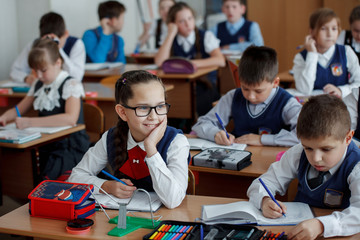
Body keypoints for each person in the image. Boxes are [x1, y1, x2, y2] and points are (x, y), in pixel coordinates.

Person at [68, 70, 190, 209]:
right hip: (121, 217)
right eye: (143, 108)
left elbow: (173, 200)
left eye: (160, 106)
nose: (154, 116)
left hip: (163, 220)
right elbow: (76, 177)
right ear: (122, 112)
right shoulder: (111, 137)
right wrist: (106, 186)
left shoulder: (176, 142)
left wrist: (150, 148)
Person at [247, 94, 360, 239]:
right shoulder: (297, 152)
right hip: (295, 231)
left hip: (337, 235)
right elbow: (263, 182)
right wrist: (264, 200)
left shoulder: (356, 164)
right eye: (309, 148)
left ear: (348, 138)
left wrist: (321, 225)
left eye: (326, 149)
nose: (316, 159)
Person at [0, 38, 90, 181]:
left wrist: (30, 122)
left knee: (45, 180)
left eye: (43, 70)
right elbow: (19, 110)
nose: (39, 75)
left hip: (70, 148)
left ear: (58, 63)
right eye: (35, 71)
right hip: (47, 146)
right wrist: (4, 117)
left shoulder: (71, 83)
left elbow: (70, 118)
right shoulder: (38, 84)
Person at [191, 46, 301, 147]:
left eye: (258, 91)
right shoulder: (233, 96)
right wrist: (215, 133)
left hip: (272, 162)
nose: (251, 96)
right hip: (236, 157)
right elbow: (201, 124)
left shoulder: (287, 103)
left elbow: (305, 135)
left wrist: (262, 139)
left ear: (275, 83)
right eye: (245, 88)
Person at [155, 2, 225, 116]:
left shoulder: (205, 36)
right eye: (182, 21)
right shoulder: (169, 38)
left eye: (190, 18)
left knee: (199, 98)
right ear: (173, 23)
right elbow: (159, 62)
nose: (188, 24)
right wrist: (171, 34)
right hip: (178, 85)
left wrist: (189, 64)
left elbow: (220, 60)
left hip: (204, 84)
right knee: (168, 99)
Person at [292, 8, 360, 98]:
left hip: (341, 106)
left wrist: (341, 90)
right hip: (314, 106)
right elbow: (304, 90)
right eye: (323, 29)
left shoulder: (346, 52)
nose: (329, 34)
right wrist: (312, 54)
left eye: (334, 29)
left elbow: (358, 83)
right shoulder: (301, 57)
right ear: (311, 31)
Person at [10, 12, 85, 85]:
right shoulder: (35, 45)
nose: (50, 44)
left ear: (66, 34)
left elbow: (76, 77)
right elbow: (15, 71)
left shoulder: (76, 44)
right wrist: (26, 78)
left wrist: (57, 49)